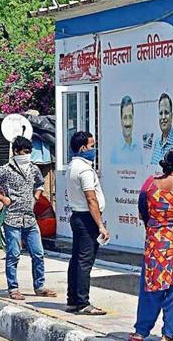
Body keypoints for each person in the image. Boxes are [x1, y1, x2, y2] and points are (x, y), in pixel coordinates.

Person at [129, 148, 173, 341]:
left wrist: (158, 230)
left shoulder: (149, 185)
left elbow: (143, 213)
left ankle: (140, 331)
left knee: (151, 286)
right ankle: (168, 335)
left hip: (156, 243)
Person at [0, 136, 57, 300]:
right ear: (16, 152)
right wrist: (3, 199)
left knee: (38, 253)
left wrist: (35, 198)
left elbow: (39, 184)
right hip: (12, 218)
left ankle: (39, 286)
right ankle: (13, 288)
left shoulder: (33, 168)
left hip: (30, 218)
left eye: (29, 152)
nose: (27, 155)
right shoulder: (6, 170)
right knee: (13, 254)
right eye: (25, 152)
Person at [65, 131, 110, 315]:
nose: (94, 149)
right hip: (86, 218)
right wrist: (100, 225)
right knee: (85, 261)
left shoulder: (72, 166)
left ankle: (73, 299)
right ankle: (83, 303)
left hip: (77, 216)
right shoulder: (84, 170)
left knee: (76, 259)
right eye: (92, 146)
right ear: (83, 148)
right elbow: (91, 199)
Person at [150, 94, 173, 165]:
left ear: (171, 116)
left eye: (166, 113)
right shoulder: (156, 143)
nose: (163, 117)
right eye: (161, 113)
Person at [111, 96, 143, 165]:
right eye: (125, 118)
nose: (128, 123)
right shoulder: (115, 150)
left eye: (130, 117)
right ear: (121, 120)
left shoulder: (139, 148)